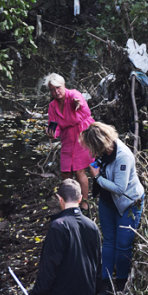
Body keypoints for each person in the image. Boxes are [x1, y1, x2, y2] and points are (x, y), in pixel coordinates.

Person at [80, 122, 145, 295]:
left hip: (129, 203)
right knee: (108, 241)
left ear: (101, 144)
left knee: (123, 245)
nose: (92, 152)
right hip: (108, 202)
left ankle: (122, 283)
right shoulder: (105, 152)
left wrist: (98, 177)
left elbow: (120, 188)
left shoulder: (123, 156)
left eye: (93, 148)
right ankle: (106, 283)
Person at [44, 73, 95, 211]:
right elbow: (54, 126)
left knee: (79, 171)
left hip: (82, 134)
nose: (56, 92)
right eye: (52, 89)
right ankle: (69, 203)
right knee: (66, 172)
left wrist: (78, 103)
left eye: (58, 88)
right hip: (67, 138)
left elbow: (80, 103)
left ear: (64, 85)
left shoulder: (73, 94)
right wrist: (51, 134)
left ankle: (84, 202)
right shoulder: (53, 106)